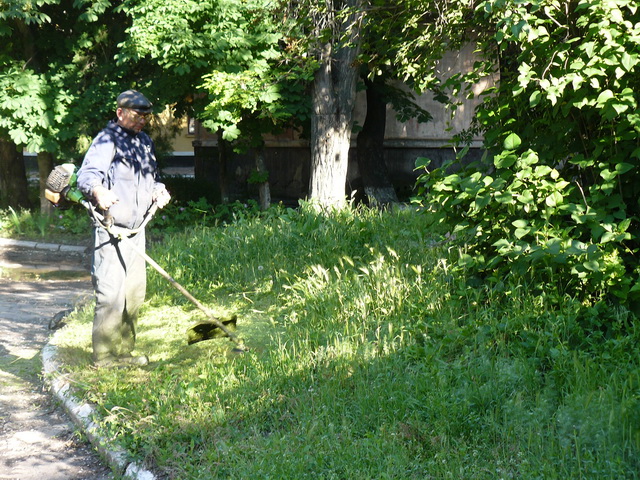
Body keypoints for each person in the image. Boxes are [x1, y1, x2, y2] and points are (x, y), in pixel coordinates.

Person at [77, 90, 171, 367]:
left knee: (134, 294)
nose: (142, 120)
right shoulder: (106, 140)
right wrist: (98, 191)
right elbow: (88, 175)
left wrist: (159, 189)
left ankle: (125, 353)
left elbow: (150, 178)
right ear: (120, 113)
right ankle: (104, 357)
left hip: (136, 231)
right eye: (137, 115)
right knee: (110, 295)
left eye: (146, 116)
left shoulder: (144, 142)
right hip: (110, 231)